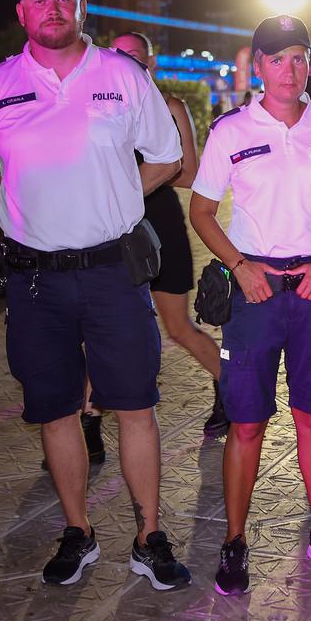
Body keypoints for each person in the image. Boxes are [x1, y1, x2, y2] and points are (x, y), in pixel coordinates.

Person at [0, 0, 192, 591]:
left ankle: (149, 537)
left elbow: (168, 157)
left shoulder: (122, 76)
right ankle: (78, 530)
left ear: (81, 8)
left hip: (113, 272)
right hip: (36, 280)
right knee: (57, 409)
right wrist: (29, 201)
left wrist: (115, 193)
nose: (53, 9)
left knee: (136, 406)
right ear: (21, 12)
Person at [188, 15, 311, 594]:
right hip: (254, 293)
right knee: (246, 423)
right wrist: (240, 268)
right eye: (277, 59)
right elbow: (202, 211)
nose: (290, 70)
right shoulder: (231, 130)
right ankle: (235, 540)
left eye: (299, 57)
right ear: (258, 65)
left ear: (309, 62)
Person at [110, 30, 226, 440]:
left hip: (160, 223)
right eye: (118, 56)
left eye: (134, 56)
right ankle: (88, 422)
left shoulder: (170, 105)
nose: (126, 63)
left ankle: (230, 389)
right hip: (112, 227)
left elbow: (190, 173)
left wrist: (135, 178)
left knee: (178, 327)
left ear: (151, 62)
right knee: (105, 330)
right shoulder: (100, 107)